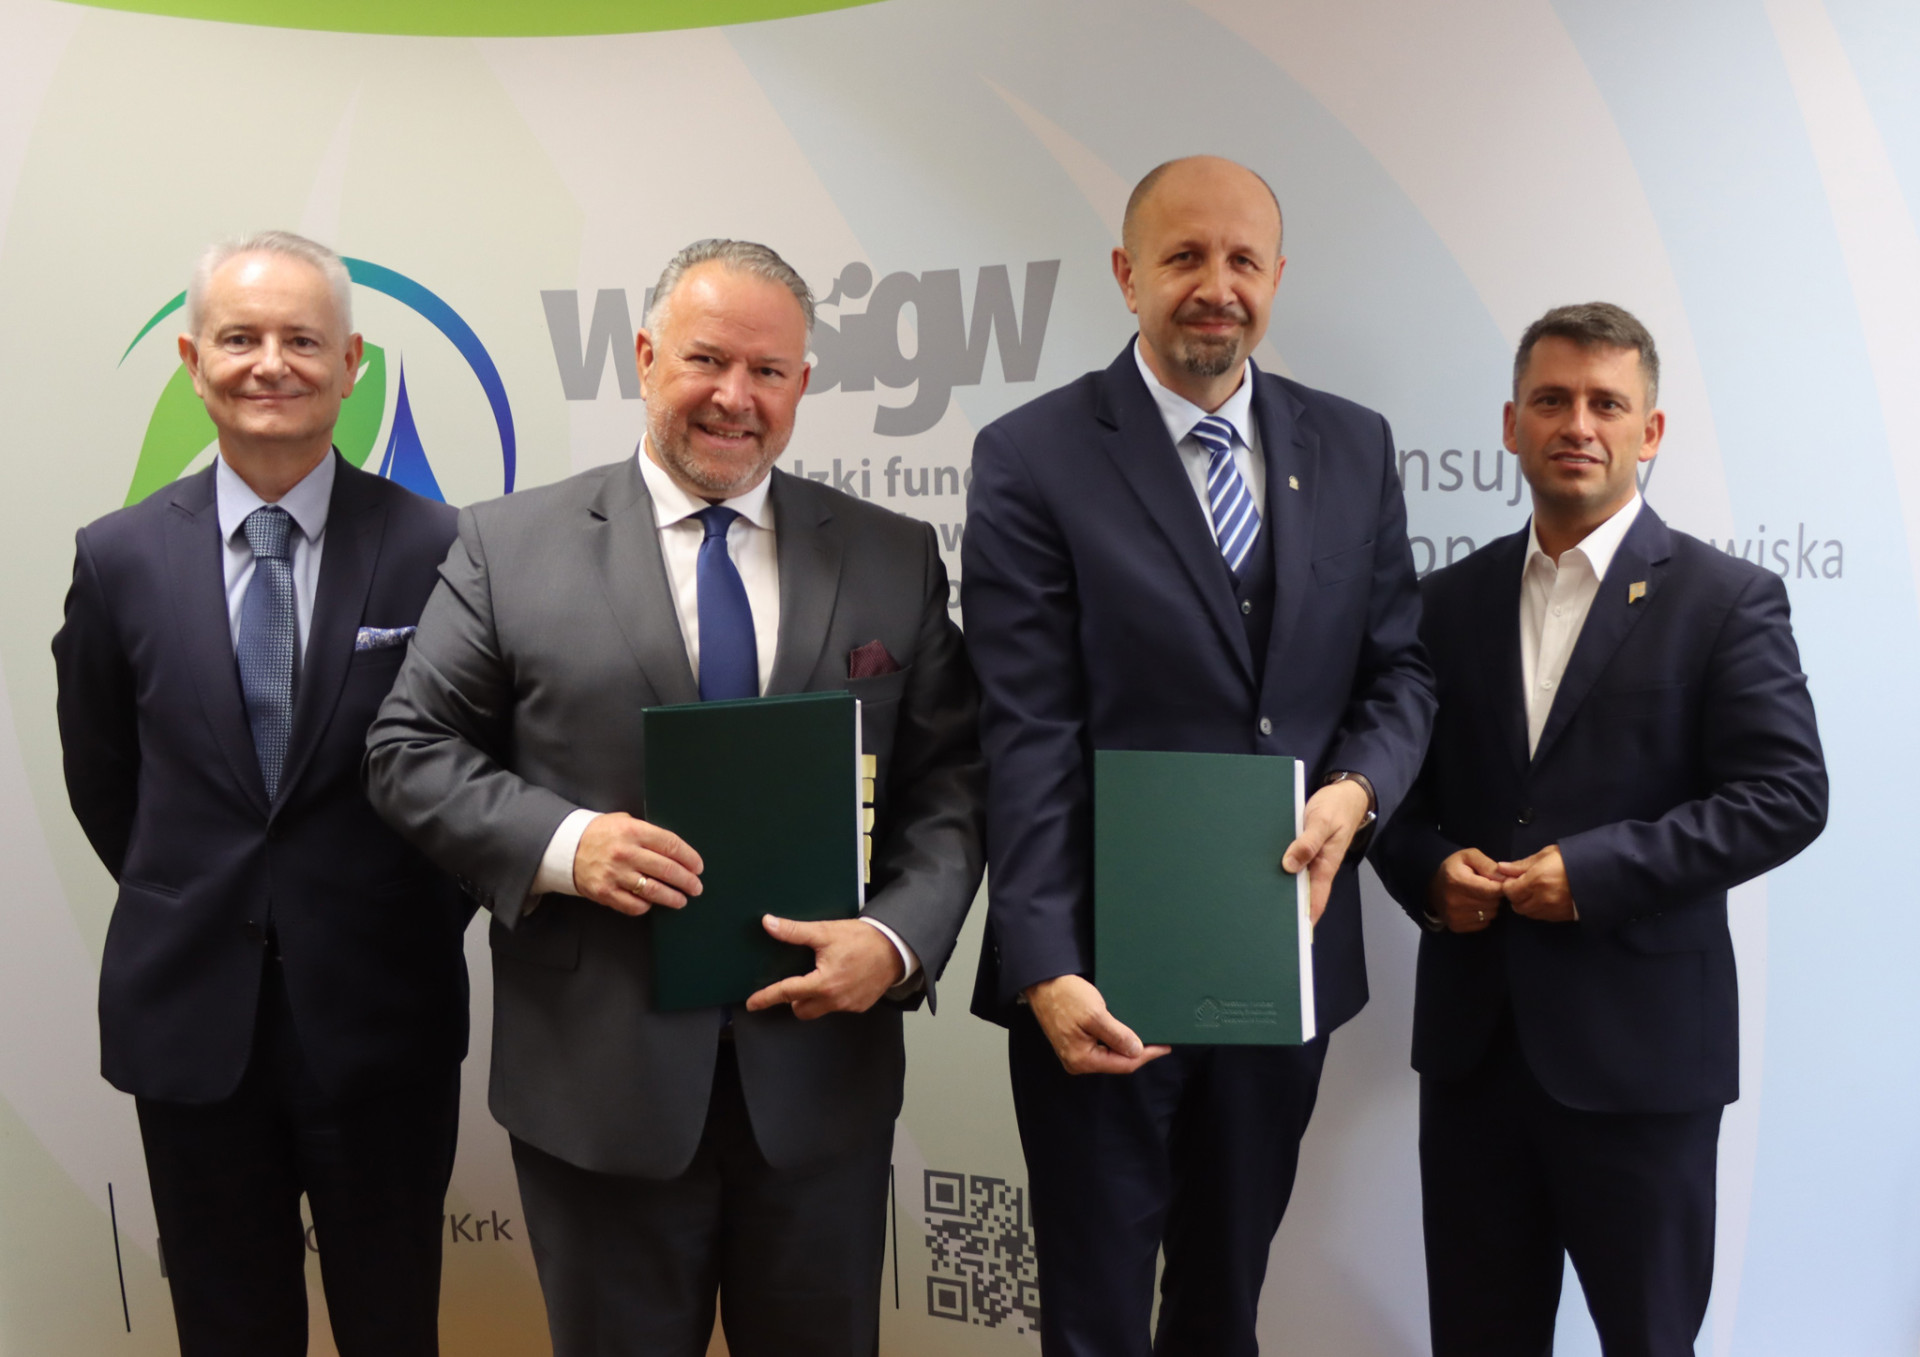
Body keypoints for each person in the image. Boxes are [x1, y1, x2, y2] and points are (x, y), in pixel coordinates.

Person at [364, 237, 983, 1357]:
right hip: (598, 1089)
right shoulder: (507, 545)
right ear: (646, 357)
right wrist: (567, 843)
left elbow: (949, 784)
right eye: (706, 360)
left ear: (802, 383)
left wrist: (896, 940)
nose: (735, 397)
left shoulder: (893, 555)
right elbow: (408, 750)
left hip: (822, 1091)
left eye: (768, 371)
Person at [962, 155, 1435, 1357]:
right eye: (1183, 257)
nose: (1215, 286)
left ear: (1276, 277)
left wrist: (1357, 788)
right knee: (1096, 1314)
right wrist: (1044, 964)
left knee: (1225, 1299)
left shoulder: (1353, 444)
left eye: (1241, 260)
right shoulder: (1033, 454)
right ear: (1128, 275)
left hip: (1284, 949)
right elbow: (1024, 730)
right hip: (1102, 966)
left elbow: (1401, 672)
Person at [1370, 302, 1828, 1355]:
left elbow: (1788, 793)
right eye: (1552, 399)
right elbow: (1396, 795)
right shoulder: (1443, 604)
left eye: (1606, 404)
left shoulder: (1726, 600)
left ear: (1649, 431)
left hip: (1645, 1064)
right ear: (1512, 424)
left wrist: (1594, 871)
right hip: (1476, 1058)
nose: (1578, 423)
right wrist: (1429, 870)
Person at [52, 230, 469, 1356]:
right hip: (192, 1021)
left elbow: (477, 776)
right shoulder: (119, 557)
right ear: (194, 362)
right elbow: (104, 778)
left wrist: (403, 913)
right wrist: (205, 889)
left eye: (303, 339)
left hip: (384, 1017)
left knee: (394, 1323)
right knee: (227, 1328)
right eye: (240, 338)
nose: (270, 364)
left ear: (353, 363)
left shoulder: (443, 548)